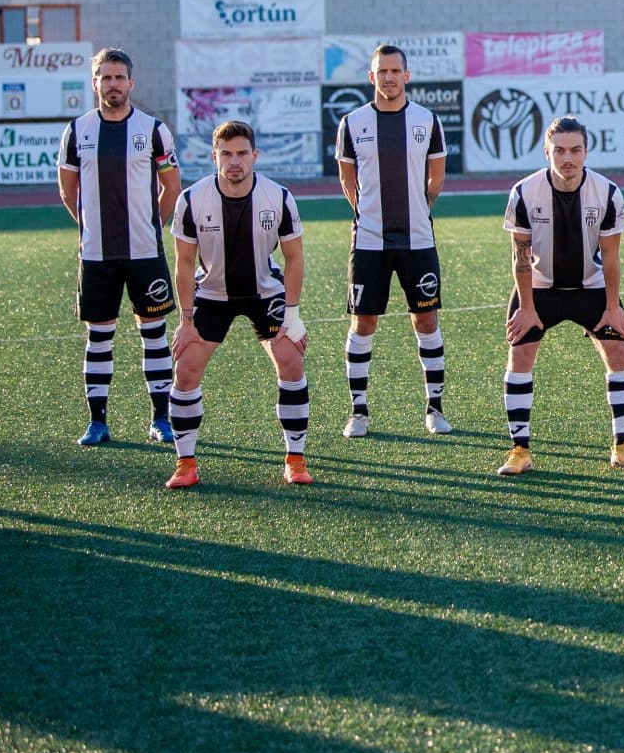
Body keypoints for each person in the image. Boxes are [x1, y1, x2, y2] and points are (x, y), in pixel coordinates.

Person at [498, 116, 624, 474]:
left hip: (591, 286)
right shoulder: (524, 192)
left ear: (586, 151)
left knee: (619, 351)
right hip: (539, 287)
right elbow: (520, 258)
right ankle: (519, 450)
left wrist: (613, 307)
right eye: (560, 151)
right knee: (520, 356)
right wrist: (526, 307)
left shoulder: (608, 192)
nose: (568, 158)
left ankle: (623, 446)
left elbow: (612, 258)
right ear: (547, 152)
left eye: (575, 150)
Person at [164, 121, 311, 489]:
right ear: (214, 156)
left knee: (291, 360)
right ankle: (186, 463)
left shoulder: (278, 197)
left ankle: (295, 459)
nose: (235, 162)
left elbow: (294, 258)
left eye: (242, 153)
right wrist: (185, 320)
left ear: (255, 156)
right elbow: (183, 264)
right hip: (211, 295)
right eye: (226, 154)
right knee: (185, 368)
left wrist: (292, 315)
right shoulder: (192, 199)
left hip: (265, 293)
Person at [57, 48, 180, 447]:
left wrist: (150, 225)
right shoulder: (77, 132)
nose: (112, 84)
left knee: (154, 332)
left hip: (145, 252)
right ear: (95, 83)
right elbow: (68, 190)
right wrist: (92, 226)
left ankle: (161, 418)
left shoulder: (153, 130)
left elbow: (172, 187)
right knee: (99, 335)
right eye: (105, 78)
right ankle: (97, 422)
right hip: (96, 254)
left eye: (119, 77)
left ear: (131, 83)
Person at [336, 44, 451, 438]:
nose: (388, 77)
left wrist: (422, 205)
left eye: (394, 71)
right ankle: (358, 412)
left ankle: (434, 409)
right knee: (364, 321)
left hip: (418, 240)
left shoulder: (427, 120)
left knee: (426, 319)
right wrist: (367, 212)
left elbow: (436, 175)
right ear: (372, 77)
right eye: (381, 71)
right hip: (368, 242)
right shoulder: (351, 123)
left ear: (407, 75)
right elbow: (348, 181)